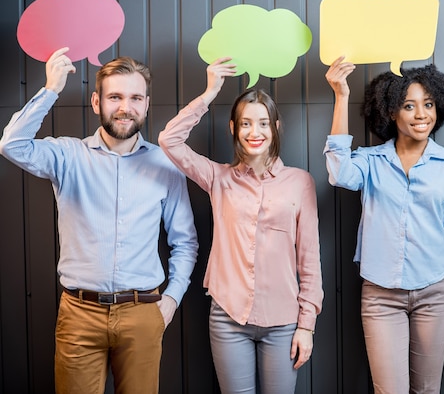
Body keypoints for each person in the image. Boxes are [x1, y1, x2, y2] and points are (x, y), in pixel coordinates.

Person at [0, 47, 199, 394]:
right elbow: (12, 145)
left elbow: (185, 241)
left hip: (143, 313)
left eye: (136, 97)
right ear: (96, 102)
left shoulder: (166, 165)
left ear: (147, 104)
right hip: (79, 313)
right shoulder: (67, 155)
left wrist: (171, 300)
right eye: (115, 97)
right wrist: (51, 89)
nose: (125, 107)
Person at [157, 56, 323, 394]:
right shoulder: (218, 178)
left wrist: (307, 325)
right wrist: (209, 93)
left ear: (275, 127)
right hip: (228, 319)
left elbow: (309, 260)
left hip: (283, 322)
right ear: (234, 129)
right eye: (246, 123)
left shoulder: (299, 182)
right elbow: (168, 141)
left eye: (263, 123)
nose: (255, 132)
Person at [323, 57, 444, 393]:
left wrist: (440, 271)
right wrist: (341, 95)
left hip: (435, 293)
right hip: (380, 295)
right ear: (391, 111)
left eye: (429, 104)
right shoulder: (370, 160)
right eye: (409, 105)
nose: (421, 114)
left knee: (427, 390)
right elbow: (338, 173)